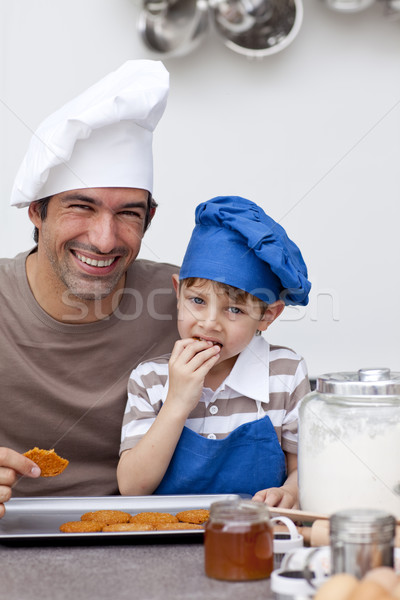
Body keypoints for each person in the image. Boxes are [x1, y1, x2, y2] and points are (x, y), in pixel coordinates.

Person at [0, 60, 179, 517]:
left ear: (149, 219)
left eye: (128, 214)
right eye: (82, 206)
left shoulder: (189, 303)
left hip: (147, 535)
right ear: (36, 212)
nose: (104, 239)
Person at [117, 195, 312, 508]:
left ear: (267, 315)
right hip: (162, 544)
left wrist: (290, 493)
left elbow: (305, 470)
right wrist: (177, 401)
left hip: (252, 537)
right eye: (197, 301)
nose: (210, 323)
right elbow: (132, 487)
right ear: (178, 292)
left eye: (234, 308)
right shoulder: (150, 379)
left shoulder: (285, 374)